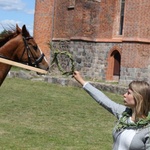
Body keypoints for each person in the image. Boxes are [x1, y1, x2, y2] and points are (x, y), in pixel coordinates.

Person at [73, 71, 150, 150]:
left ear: (139, 98)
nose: (124, 95)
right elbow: (103, 100)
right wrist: (81, 81)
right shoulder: (123, 113)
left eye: (129, 93)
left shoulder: (147, 129)